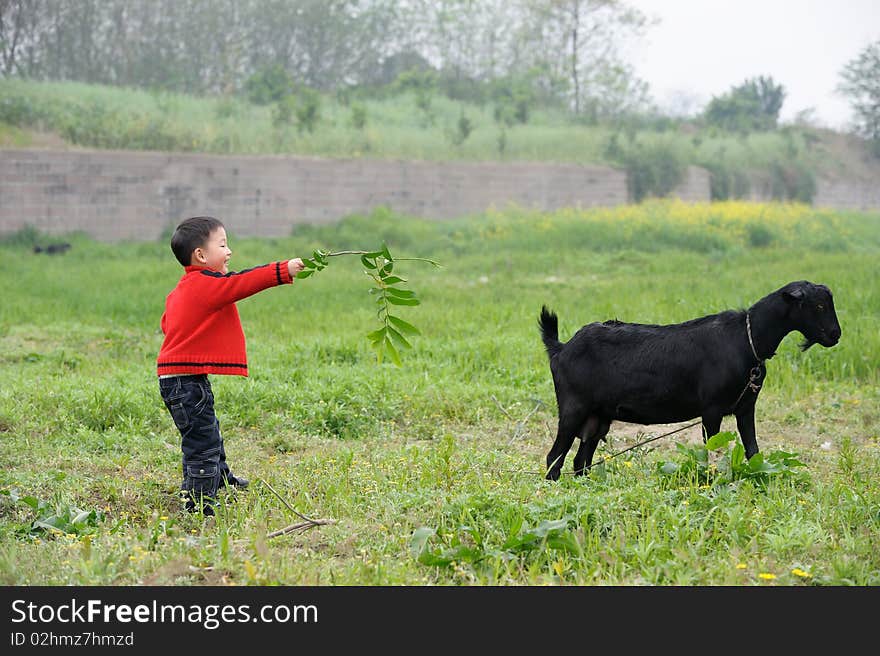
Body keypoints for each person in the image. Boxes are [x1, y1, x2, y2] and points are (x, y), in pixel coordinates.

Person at [157, 216, 305, 515]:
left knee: (207, 429)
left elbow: (167, 324)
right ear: (200, 255)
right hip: (185, 382)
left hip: (183, 379)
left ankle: (220, 478)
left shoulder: (183, 288)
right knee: (201, 441)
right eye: (223, 245)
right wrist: (283, 270)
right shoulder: (205, 285)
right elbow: (241, 283)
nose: (229, 251)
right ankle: (198, 504)